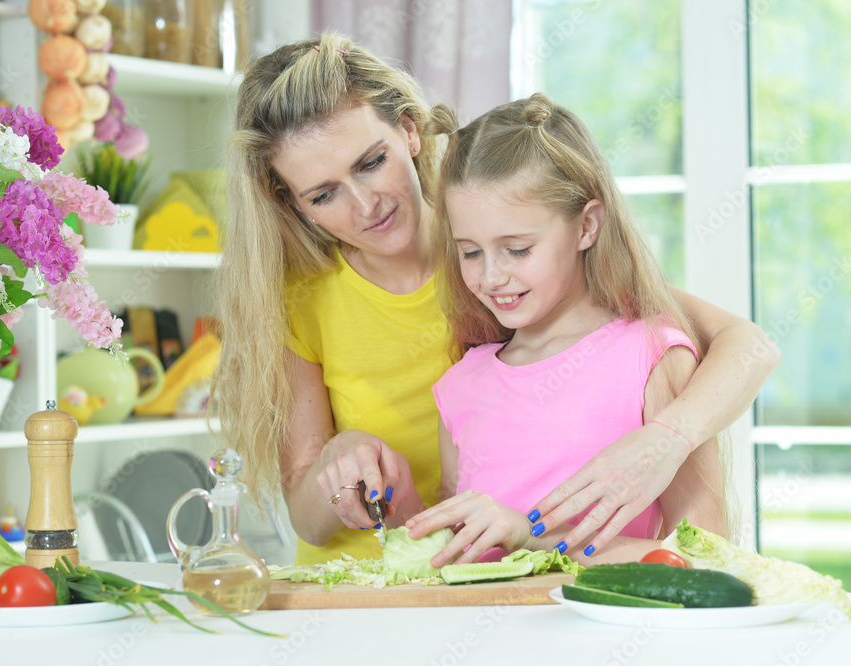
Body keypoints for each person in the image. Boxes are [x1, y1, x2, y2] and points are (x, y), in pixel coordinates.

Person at [214, 33, 777, 565]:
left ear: (410, 132)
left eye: (371, 162)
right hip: (384, 586)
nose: (365, 207)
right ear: (292, 204)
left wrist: (665, 441)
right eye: (324, 194)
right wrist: (341, 463)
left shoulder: (545, 274)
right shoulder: (309, 306)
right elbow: (330, 520)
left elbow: (746, 347)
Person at [404, 94, 728, 566]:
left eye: (516, 249)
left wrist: (529, 534)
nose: (491, 276)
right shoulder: (459, 385)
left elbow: (707, 560)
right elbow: (456, 551)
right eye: (470, 252)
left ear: (586, 227)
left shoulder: (651, 357)